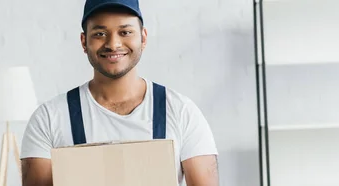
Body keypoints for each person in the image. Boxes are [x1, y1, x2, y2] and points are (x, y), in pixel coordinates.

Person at [19, 0, 219, 185]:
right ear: (83, 41)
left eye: (125, 32)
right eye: (99, 33)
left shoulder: (181, 112)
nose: (113, 44)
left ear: (143, 37)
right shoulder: (49, 118)